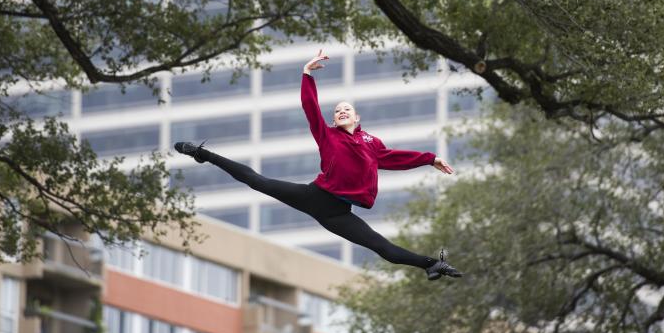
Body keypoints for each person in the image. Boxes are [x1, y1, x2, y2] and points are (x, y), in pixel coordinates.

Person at [174, 49, 463, 280]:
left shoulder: (371, 143)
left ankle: (430, 265)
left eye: (346, 109)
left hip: (338, 214)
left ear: (357, 117)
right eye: (337, 111)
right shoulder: (327, 135)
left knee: (380, 246)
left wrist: (430, 158)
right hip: (314, 196)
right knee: (257, 181)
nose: (340, 112)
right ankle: (204, 155)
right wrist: (306, 74)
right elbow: (310, 107)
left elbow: (396, 158)